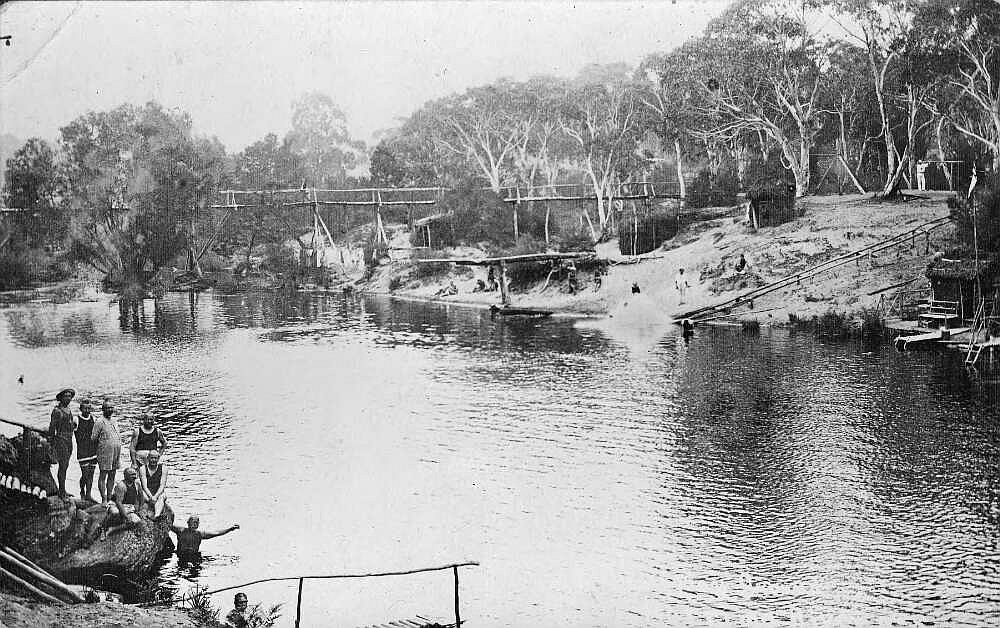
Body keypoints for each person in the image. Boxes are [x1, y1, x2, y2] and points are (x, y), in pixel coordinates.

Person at [91, 401, 123, 507]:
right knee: (103, 475)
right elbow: (93, 438)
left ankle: (109, 497)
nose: (110, 410)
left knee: (112, 474)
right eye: (107, 408)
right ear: (103, 409)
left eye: (111, 407)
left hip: (116, 452)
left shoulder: (114, 420)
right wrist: (104, 445)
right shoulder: (99, 421)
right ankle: (104, 499)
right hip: (105, 452)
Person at [100, 467, 142, 540]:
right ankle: (104, 527)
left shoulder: (137, 484)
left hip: (129, 506)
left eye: (135, 474)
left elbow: (141, 497)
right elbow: (119, 502)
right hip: (116, 505)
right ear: (126, 476)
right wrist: (125, 516)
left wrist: (138, 509)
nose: (134, 476)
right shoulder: (121, 485)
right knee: (115, 512)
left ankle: (113, 529)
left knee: (137, 521)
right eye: (132, 475)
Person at [48, 388, 76, 499]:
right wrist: (51, 442)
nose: (68, 398)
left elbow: (70, 424)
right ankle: (61, 491)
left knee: (66, 465)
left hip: (69, 440)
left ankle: (63, 489)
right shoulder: (57, 411)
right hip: (61, 440)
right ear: (61, 398)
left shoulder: (68, 409)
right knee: (63, 466)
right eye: (66, 396)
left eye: (70, 396)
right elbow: (52, 428)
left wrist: (73, 425)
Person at [170, 516, 240, 557]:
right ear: (188, 523)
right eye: (193, 522)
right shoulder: (180, 530)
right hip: (181, 556)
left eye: (196, 523)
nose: (195, 524)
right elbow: (168, 525)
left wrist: (230, 529)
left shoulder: (200, 534)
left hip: (194, 556)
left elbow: (217, 533)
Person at [74, 398, 98, 502]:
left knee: (91, 473)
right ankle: (82, 491)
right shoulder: (76, 419)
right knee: (85, 474)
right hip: (82, 451)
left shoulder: (94, 418)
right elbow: (69, 431)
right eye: (85, 408)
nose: (87, 410)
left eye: (89, 408)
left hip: (93, 450)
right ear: (81, 409)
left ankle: (88, 494)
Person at [139, 450, 168, 518]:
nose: (153, 460)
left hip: (158, 492)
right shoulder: (142, 468)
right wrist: (151, 497)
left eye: (155, 458)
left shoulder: (164, 468)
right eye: (151, 458)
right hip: (147, 492)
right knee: (142, 494)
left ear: (158, 458)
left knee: (162, 497)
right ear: (148, 458)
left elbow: (162, 485)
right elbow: (144, 486)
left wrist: (155, 496)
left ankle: (157, 515)